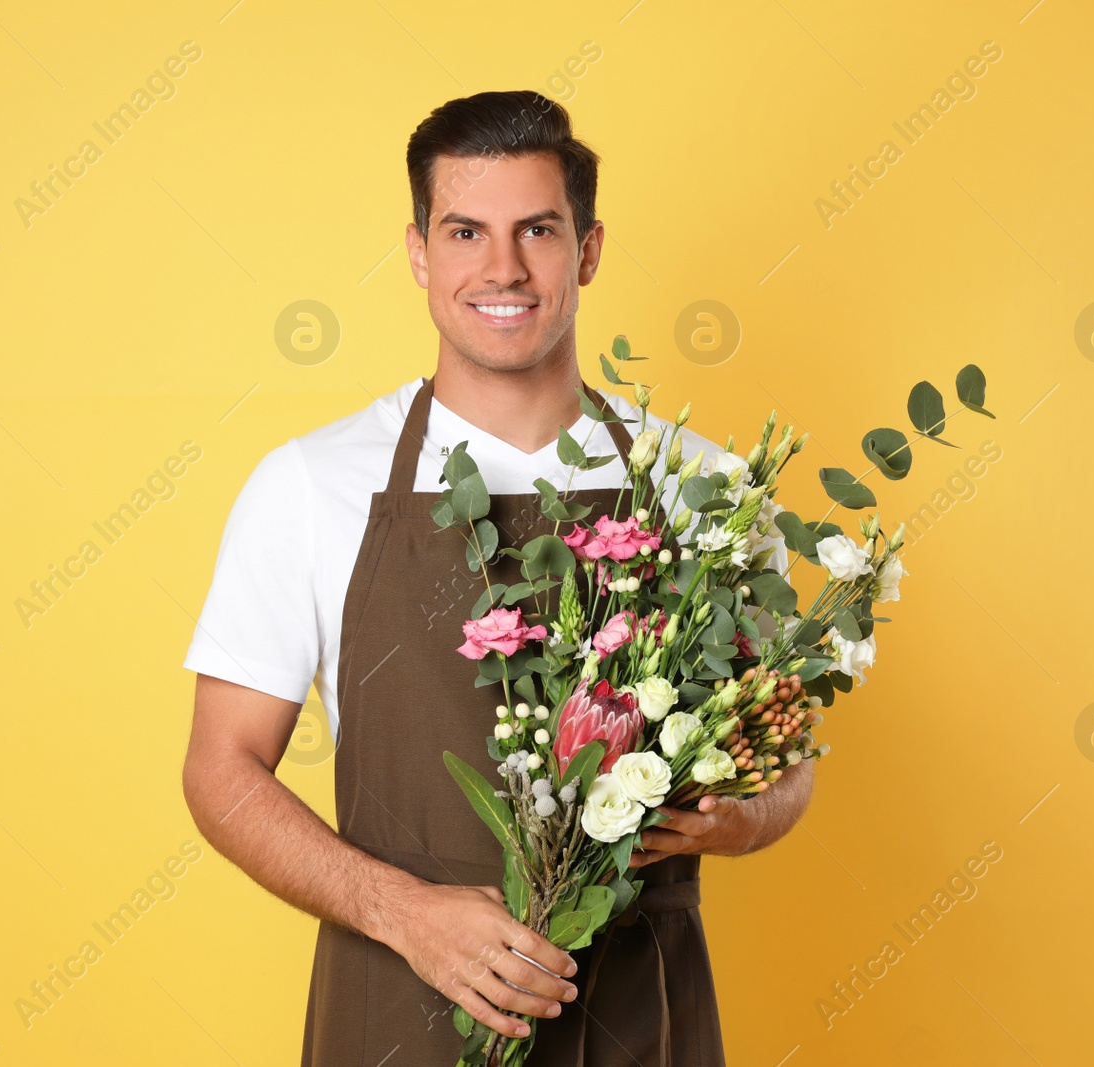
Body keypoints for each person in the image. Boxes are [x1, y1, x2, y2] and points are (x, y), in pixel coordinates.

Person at [180, 89, 814, 1066]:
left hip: (638, 1007)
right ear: (419, 251)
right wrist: (403, 910)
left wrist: (734, 817)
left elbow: (789, 768)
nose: (502, 268)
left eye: (538, 230)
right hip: (397, 1005)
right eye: (466, 229)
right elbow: (220, 772)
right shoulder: (310, 483)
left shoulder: (709, 492)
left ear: (588, 250)